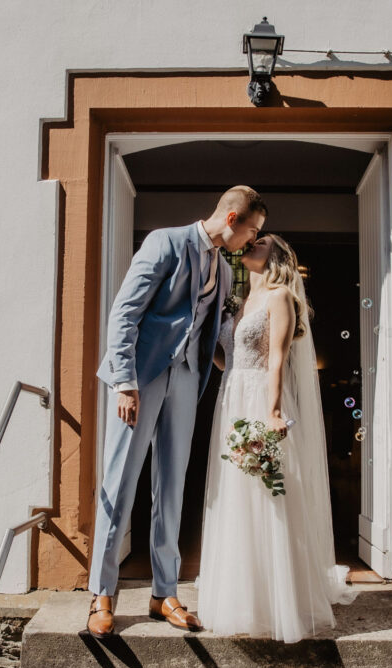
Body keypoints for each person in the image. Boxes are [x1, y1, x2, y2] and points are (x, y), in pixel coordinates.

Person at [87, 186, 266, 638]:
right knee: (120, 480)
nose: (252, 240)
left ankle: (163, 592)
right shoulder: (165, 242)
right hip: (141, 380)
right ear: (231, 218)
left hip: (186, 381)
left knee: (172, 485)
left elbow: (212, 332)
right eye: (252, 230)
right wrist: (125, 382)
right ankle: (102, 593)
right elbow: (125, 313)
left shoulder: (225, 272)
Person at [196, 233, 357, 643]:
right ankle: (240, 596)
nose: (251, 244)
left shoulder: (280, 297)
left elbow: (277, 360)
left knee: (267, 494)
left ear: (278, 255)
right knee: (235, 495)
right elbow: (228, 358)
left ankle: (275, 599)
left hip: (261, 399)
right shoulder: (238, 302)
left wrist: (271, 412)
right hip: (232, 398)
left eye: (261, 242)